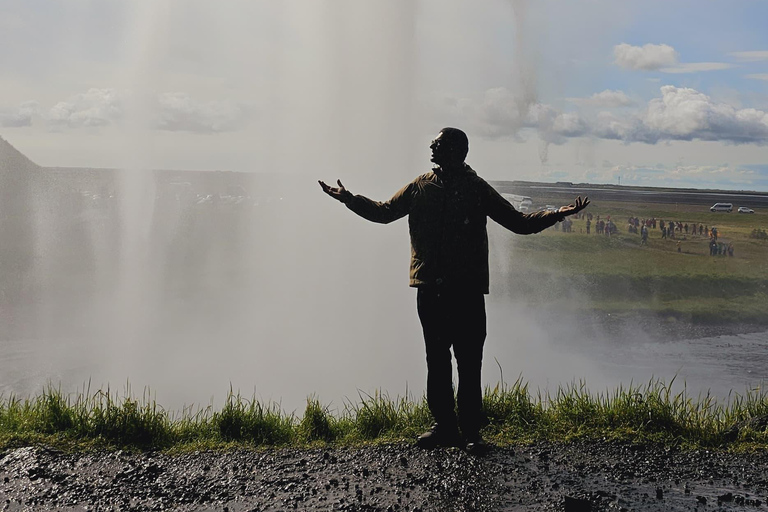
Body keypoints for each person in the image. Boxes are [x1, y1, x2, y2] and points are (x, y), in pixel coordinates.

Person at [319, 127, 589, 453]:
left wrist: (556, 214)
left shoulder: (476, 188)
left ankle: (472, 431)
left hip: (467, 290)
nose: (432, 146)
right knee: (437, 360)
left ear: (457, 151)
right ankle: (445, 427)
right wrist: (349, 199)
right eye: (434, 143)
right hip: (430, 287)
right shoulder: (420, 186)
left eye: (440, 143)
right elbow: (384, 212)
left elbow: (518, 222)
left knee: (469, 360)